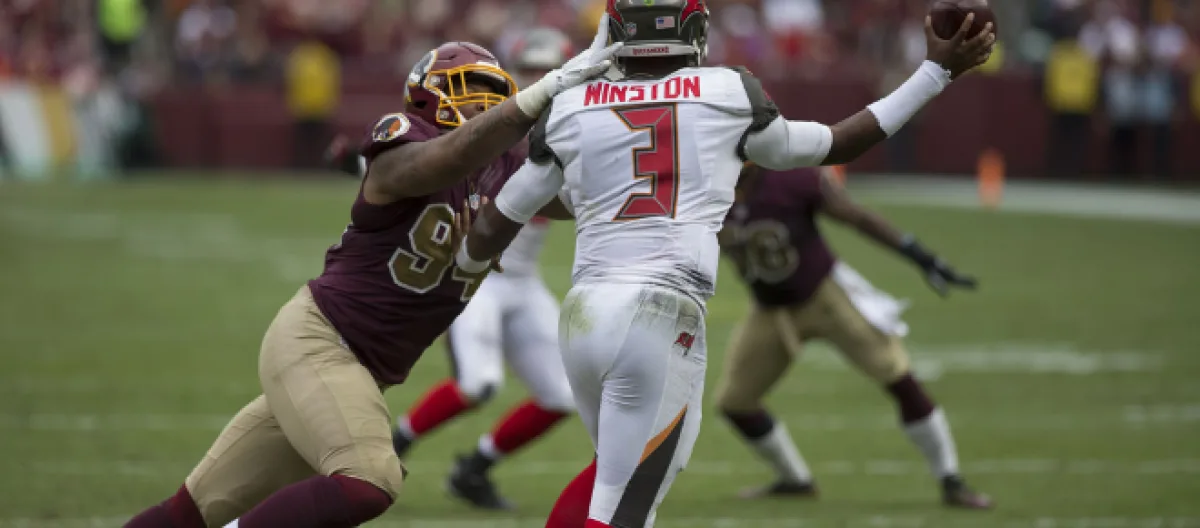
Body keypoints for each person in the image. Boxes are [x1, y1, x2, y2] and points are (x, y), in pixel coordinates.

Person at [455, 1, 994, 526]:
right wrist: (933, 74)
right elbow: (838, 143)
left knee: (612, 478)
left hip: (582, 316)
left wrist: (470, 258)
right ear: (692, 30)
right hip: (658, 315)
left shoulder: (572, 105)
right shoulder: (726, 91)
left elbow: (497, 222)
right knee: (626, 503)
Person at [123, 23, 619, 528]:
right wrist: (531, 99)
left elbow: (580, 198)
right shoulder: (404, 135)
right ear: (432, 94)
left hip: (355, 369)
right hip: (320, 341)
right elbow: (443, 159)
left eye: (495, 95)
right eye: (474, 91)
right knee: (369, 479)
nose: (485, 105)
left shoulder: (501, 165)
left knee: (191, 511)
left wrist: (614, 126)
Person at [715, 164, 992, 509]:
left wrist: (920, 256)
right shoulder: (702, 189)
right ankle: (795, 481)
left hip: (827, 297)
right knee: (735, 401)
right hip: (771, 309)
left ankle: (952, 481)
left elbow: (857, 217)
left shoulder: (791, 179)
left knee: (898, 377)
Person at [390, 27, 578, 511]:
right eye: (530, 69)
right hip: (476, 279)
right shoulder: (491, 126)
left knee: (564, 395)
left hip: (523, 282)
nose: (539, 78)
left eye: (547, 69)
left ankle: (473, 470)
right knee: (478, 384)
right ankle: (393, 445)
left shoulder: (574, 125)